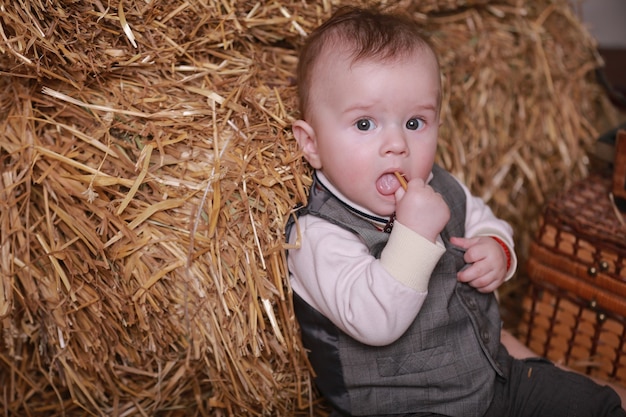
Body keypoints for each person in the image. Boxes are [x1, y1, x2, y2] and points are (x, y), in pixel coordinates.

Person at [285, 6, 626, 417]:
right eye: (364, 124)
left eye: (414, 123)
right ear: (312, 143)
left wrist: (498, 249)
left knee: (593, 404)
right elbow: (376, 323)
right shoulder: (318, 234)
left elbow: (482, 218)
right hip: (407, 407)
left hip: (492, 379)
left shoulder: (439, 185)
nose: (397, 145)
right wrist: (414, 234)